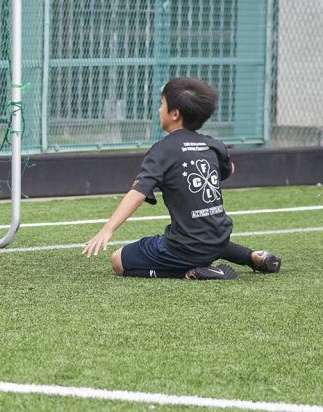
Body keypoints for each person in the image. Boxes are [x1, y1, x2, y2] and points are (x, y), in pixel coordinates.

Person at [82, 78, 282, 280]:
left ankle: (195, 272)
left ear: (175, 113)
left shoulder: (162, 150)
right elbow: (229, 169)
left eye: (162, 104)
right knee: (205, 240)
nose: (159, 109)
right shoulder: (213, 145)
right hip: (219, 238)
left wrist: (108, 229)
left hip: (183, 247)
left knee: (118, 261)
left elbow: (138, 192)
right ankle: (253, 257)